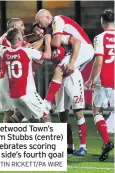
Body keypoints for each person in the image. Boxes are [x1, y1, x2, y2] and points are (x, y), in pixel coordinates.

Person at [35, 10, 94, 155]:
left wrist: (72, 62)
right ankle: (69, 146)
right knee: (62, 113)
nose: (39, 28)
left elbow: (74, 41)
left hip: (74, 68)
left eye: (40, 24)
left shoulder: (58, 27)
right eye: (37, 28)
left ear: (48, 18)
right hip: (60, 79)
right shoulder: (50, 39)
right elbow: (40, 50)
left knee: (78, 110)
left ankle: (83, 147)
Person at [0, 28, 52, 122]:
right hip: (28, 93)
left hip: (14, 96)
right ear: (20, 39)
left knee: (33, 120)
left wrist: (5, 34)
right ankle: (52, 136)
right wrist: (48, 41)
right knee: (45, 116)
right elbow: (48, 56)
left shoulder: (4, 52)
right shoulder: (27, 51)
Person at [85, 9, 114, 161]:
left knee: (96, 111)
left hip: (105, 80)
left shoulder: (99, 38)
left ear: (102, 22)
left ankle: (107, 142)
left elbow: (99, 62)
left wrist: (91, 79)